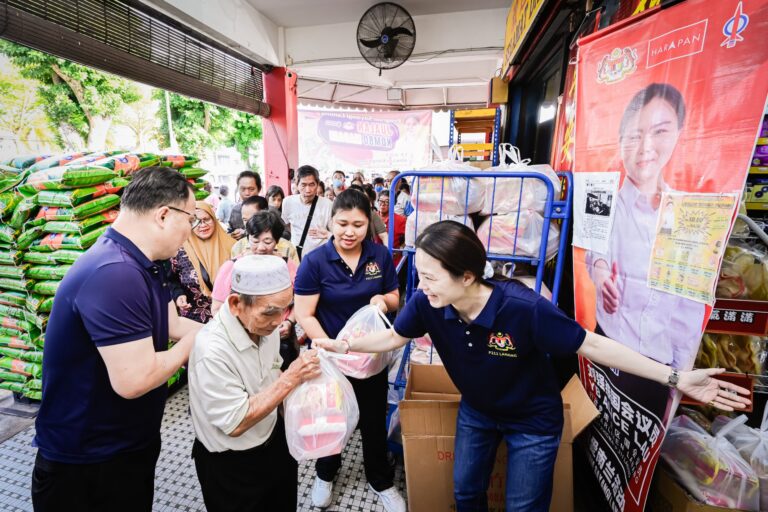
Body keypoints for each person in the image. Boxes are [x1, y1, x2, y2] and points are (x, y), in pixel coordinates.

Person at [315, 220, 750, 512]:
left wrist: (676, 377)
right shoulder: (428, 303)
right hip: (477, 411)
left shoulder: (523, 309)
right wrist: (343, 344)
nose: (421, 285)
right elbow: (393, 337)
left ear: (467, 276)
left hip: (533, 422)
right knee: (465, 493)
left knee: (523, 507)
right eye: (420, 274)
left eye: (430, 276)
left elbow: (593, 345)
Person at [32, 167, 204, 512]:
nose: (192, 230)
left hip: (125, 445)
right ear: (164, 215)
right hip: (87, 462)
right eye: (191, 218)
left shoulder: (146, 263)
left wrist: (224, 331)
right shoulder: (115, 272)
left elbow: (171, 324)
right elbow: (134, 380)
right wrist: (193, 346)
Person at [294, 189, 405, 512]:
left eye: (358, 225)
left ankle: (380, 480)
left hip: (371, 356)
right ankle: (326, 473)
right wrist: (330, 349)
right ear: (331, 221)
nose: (349, 232)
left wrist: (383, 301)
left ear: (368, 224)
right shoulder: (315, 261)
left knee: (373, 420)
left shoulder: (379, 255)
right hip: (331, 357)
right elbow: (304, 314)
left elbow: (395, 297)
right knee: (330, 417)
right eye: (342, 223)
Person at [189, 255, 321, 512]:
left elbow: (272, 372)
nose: (279, 320)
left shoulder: (265, 327)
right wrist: (292, 377)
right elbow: (236, 422)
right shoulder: (212, 351)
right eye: (270, 312)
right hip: (231, 463)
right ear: (236, 304)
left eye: (284, 309)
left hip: (273, 441)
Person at [587, 83, 704, 371]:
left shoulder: (690, 213)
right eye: (635, 136)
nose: (646, 147)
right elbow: (592, 245)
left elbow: (690, 304)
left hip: (659, 362)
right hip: (607, 342)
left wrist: (680, 373)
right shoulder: (603, 197)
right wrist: (600, 269)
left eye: (660, 131)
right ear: (620, 141)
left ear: (678, 135)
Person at [212, 211, 301, 368]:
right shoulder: (232, 267)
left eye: (267, 241)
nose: (260, 248)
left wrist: (289, 322)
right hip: (243, 342)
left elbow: (300, 301)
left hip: (281, 337)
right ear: (248, 238)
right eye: (255, 240)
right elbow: (217, 308)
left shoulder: (288, 266)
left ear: (277, 241)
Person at [170, 202, 236, 324]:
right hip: (193, 321)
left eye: (206, 219)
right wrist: (178, 295)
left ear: (214, 219)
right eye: (196, 221)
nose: (202, 225)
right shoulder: (178, 251)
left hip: (229, 318)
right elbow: (171, 279)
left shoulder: (234, 248)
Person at [281, 165, 333, 260]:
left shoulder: (328, 204)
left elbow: (333, 232)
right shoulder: (288, 202)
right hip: (297, 257)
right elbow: (287, 225)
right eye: (303, 185)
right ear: (297, 185)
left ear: (317, 184)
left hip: (322, 257)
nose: (308, 190)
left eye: (312, 185)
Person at [228, 170, 262, 240]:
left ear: (259, 189)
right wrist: (232, 234)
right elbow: (229, 230)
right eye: (243, 189)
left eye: (251, 189)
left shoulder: (267, 209)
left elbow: (282, 233)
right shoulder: (235, 210)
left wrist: (246, 233)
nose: (247, 193)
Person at [378, 190, 406, 260]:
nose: (383, 204)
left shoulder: (400, 220)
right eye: (381, 201)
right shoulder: (372, 217)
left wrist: (400, 250)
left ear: (393, 203)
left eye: (387, 202)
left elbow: (407, 240)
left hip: (392, 259)